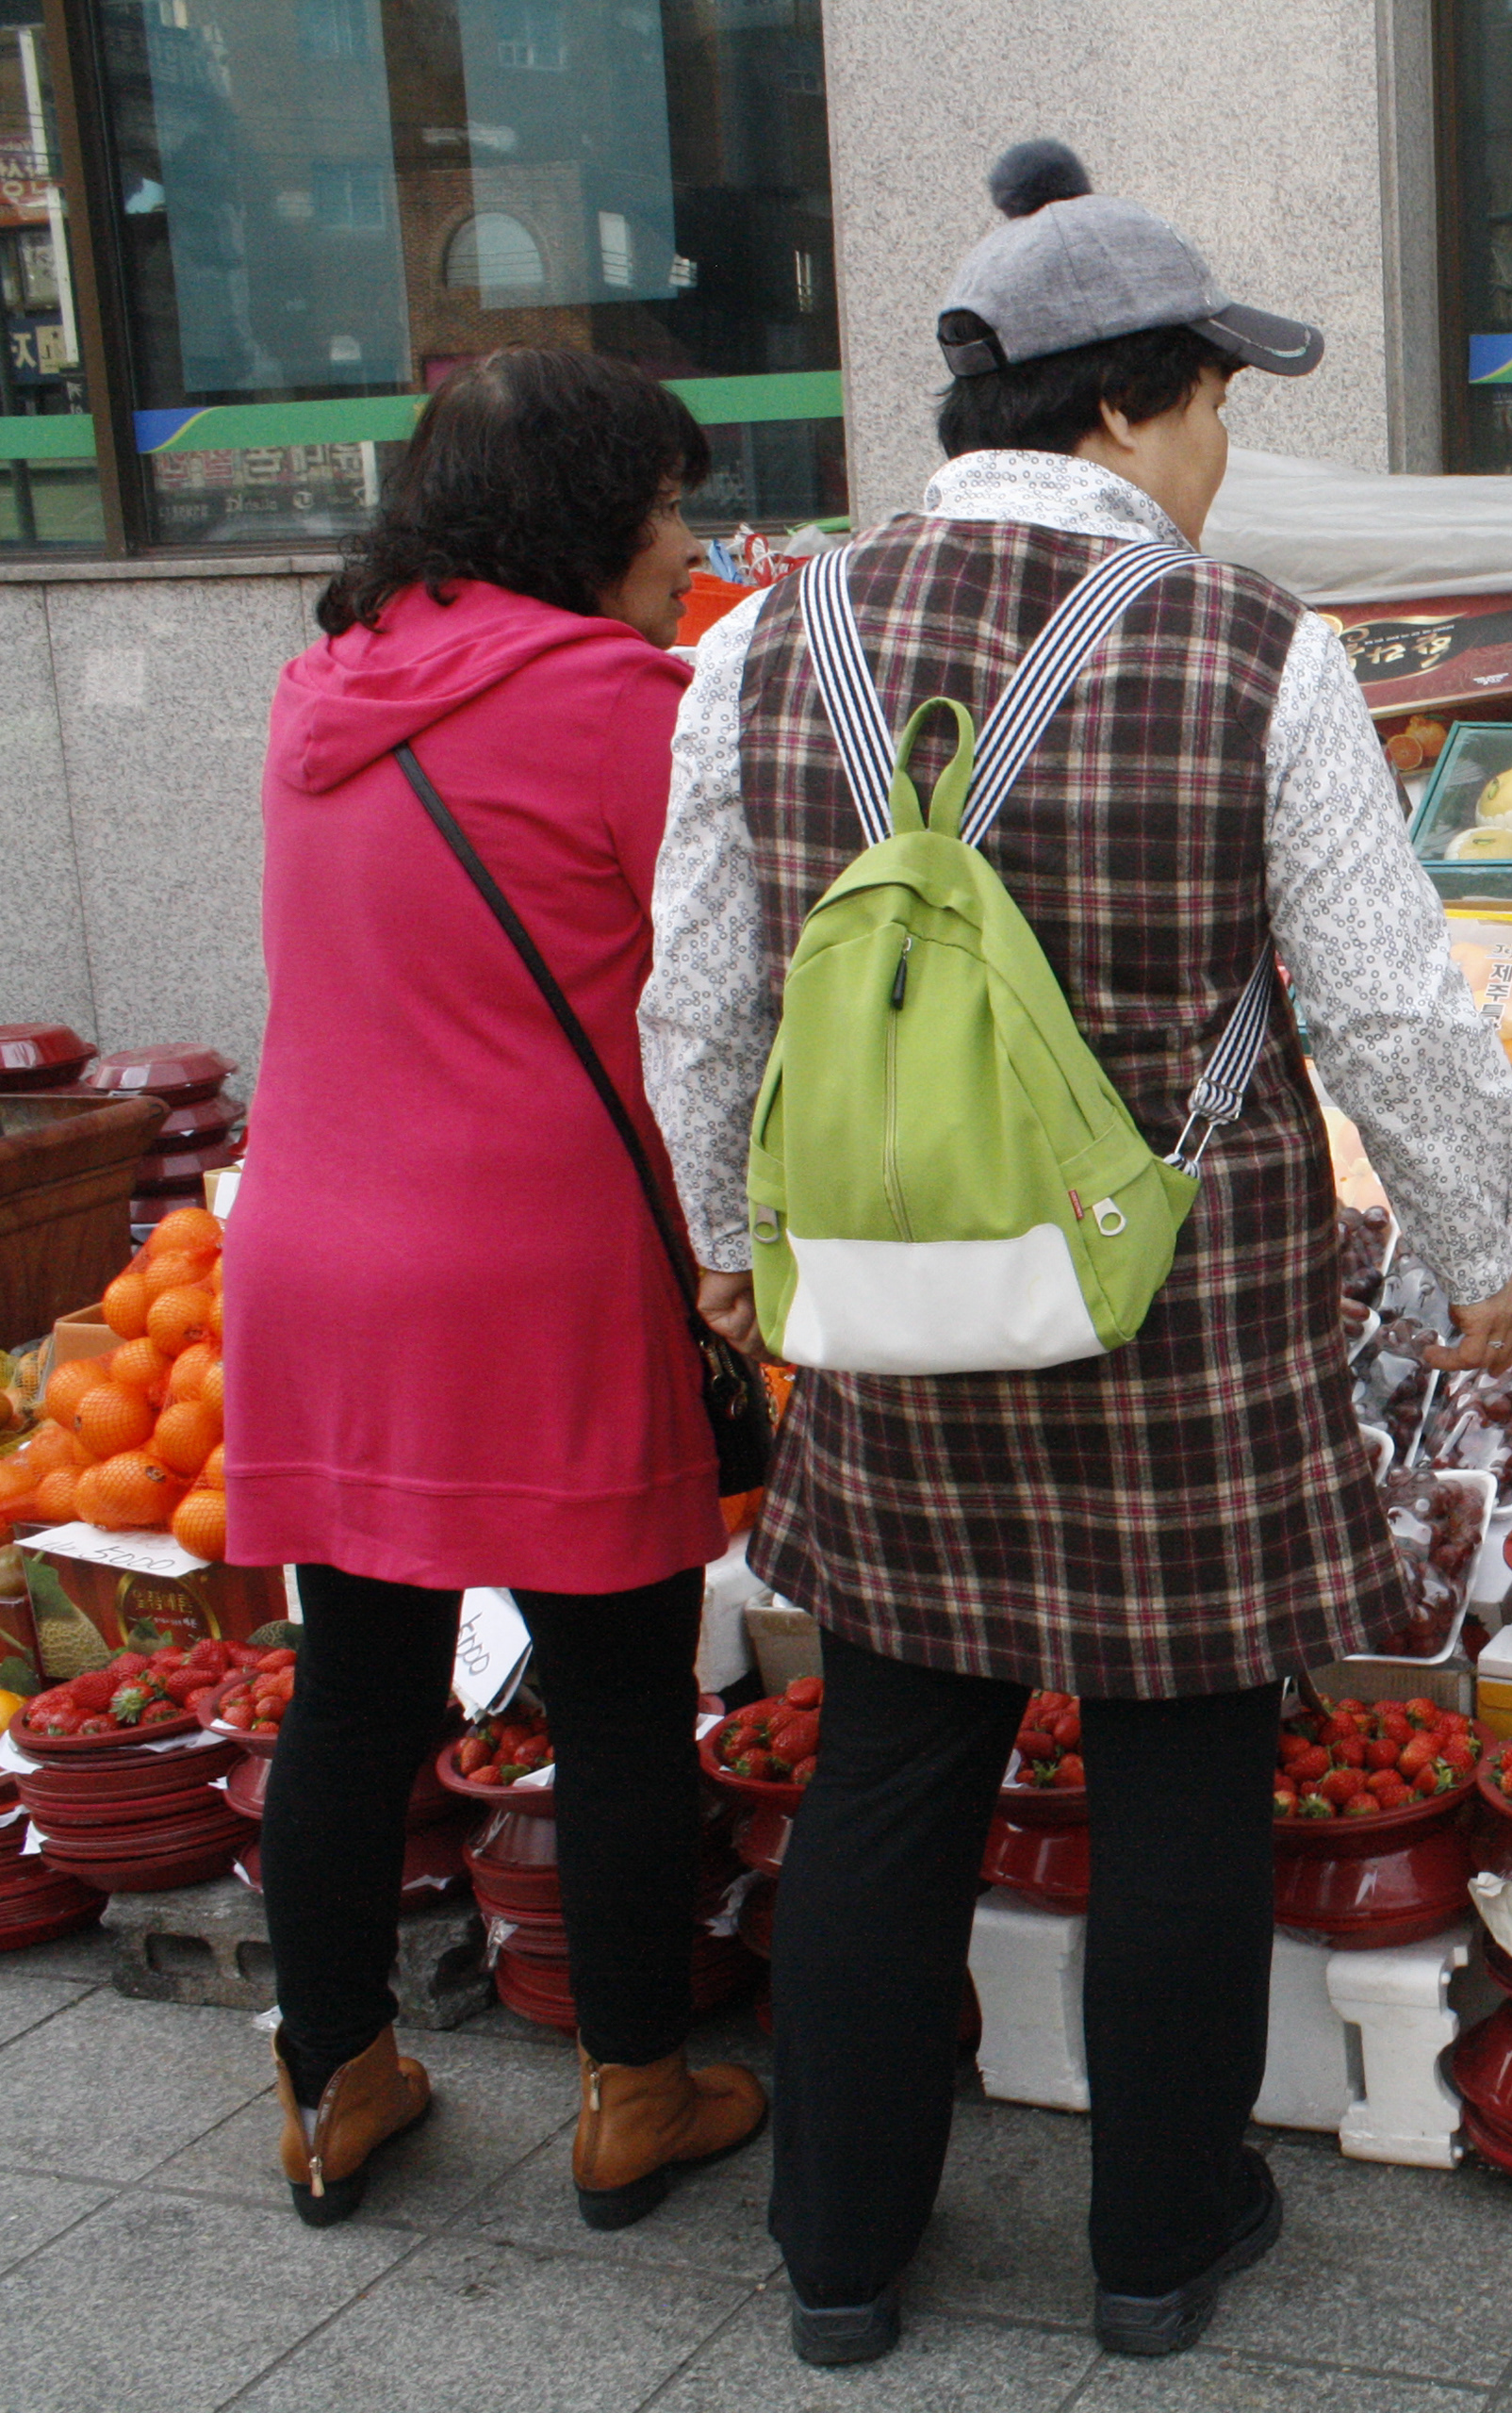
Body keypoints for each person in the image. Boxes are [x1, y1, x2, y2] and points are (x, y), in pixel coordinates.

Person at [637, 140, 1512, 2369]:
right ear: (1129, 404)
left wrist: (722, 1246)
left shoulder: (761, 642)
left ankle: (838, 2253)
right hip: (1183, 1310)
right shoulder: (1254, 650)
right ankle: (1155, 2241)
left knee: (894, 1757)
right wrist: (1479, 1247)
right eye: (1224, 397)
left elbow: (699, 1000)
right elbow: (1393, 1002)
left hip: (893, 1304)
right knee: (1178, 1776)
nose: (1235, 444)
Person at [224, 348, 767, 2227]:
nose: (684, 548)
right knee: (620, 1695)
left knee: (351, 1693)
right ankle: (634, 2088)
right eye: (669, 512)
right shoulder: (621, 704)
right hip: (537, 1263)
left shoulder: (320, 692)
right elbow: (717, 994)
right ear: (586, 524)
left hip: (311, 1255)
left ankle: (335, 2082)